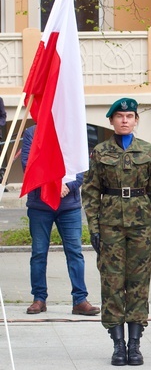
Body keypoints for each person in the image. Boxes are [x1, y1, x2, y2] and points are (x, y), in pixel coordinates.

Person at [82, 98, 151, 367]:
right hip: (110, 227)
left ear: (135, 120)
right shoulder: (100, 152)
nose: (124, 120)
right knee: (112, 282)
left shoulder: (148, 151)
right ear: (111, 120)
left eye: (129, 116)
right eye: (119, 116)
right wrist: (95, 229)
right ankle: (117, 344)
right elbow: (90, 192)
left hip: (142, 226)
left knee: (138, 283)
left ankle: (135, 343)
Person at [21, 125, 100, 316]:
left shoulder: (73, 129)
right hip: (40, 205)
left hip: (68, 207)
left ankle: (80, 300)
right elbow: (27, 165)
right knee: (39, 253)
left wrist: (68, 185)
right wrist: (53, 185)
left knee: (75, 253)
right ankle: (39, 299)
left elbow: (80, 167)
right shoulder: (32, 133)